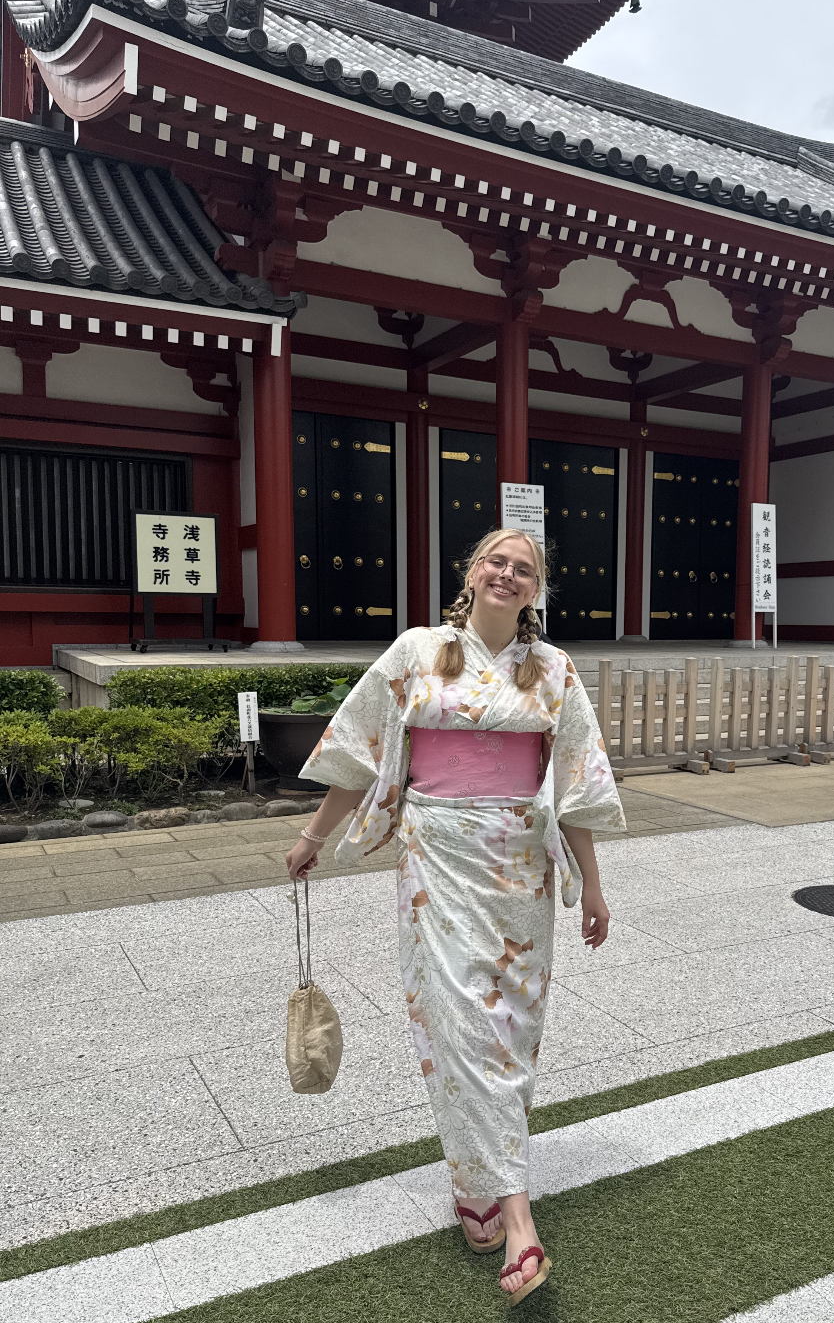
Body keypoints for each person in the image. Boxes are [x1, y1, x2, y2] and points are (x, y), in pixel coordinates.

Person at [284, 528, 625, 1305]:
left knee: (509, 1027)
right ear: (470, 573)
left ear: (537, 589)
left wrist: (593, 886)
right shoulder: (417, 652)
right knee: (458, 1023)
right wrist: (313, 836)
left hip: (521, 864)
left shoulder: (553, 669)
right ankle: (517, 1214)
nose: (507, 574)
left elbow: (575, 784)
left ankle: (475, 1186)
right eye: (495, 561)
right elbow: (361, 750)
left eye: (523, 568)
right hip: (434, 858)